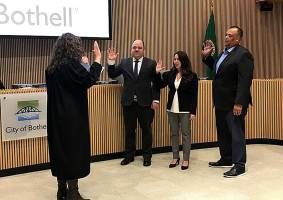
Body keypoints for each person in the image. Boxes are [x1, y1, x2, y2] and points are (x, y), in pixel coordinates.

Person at [46, 33, 102, 200]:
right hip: (72, 118)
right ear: (74, 47)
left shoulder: (51, 68)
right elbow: (89, 79)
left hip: (56, 119)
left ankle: (61, 191)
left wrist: (83, 65)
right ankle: (73, 193)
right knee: (73, 153)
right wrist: (97, 58)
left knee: (60, 152)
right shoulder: (71, 66)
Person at [201, 26, 254, 177]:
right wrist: (207, 57)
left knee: (236, 134)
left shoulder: (243, 54)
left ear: (238, 39)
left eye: (230, 36)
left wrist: (239, 102)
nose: (226, 37)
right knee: (223, 131)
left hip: (233, 103)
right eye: (225, 35)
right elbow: (218, 71)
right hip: (220, 102)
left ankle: (239, 165)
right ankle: (226, 158)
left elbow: (245, 81)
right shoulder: (223, 53)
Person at [107, 39, 160, 167]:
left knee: (146, 130)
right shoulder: (124, 62)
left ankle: (147, 156)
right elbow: (112, 74)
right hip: (128, 103)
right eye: (134, 47)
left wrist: (156, 99)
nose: (136, 49)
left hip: (146, 104)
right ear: (131, 49)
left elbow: (156, 84)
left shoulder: (151, 63)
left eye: (139, 47)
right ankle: (129, 156)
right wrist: (111, 62)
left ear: (143, 50)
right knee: (129, 130)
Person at [156, 51, 198, 170]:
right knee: (174, 134)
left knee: (185, 135)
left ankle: (185, 159)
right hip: (171, 109)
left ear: (184, 60)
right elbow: (159, 85)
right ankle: (175, 157)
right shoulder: (170, 74)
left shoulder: (192, 76)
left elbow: (194, 96)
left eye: (178, 59)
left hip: (185, 110)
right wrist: (157, 73)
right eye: (174, 59)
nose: (176, 61)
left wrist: (193, 112)